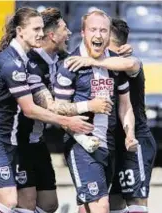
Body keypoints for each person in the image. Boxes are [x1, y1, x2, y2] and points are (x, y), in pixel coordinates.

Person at [0, 7, 94, 213]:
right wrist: (68, 121)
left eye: (41, 28)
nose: (41, 33)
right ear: (20, 31)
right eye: (36, 29)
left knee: (43, 204)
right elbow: (29, 110)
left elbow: (45, 101)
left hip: (10, 140)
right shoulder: (12, 63)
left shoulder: (25, 61)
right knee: (10, 201)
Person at [16, 7, 113, 213]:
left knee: (50, 204)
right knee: (12, 200)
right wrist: (89, 106)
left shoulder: (63, 60)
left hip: (38, 140)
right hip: (16, 140)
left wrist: (112, 56)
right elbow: (52, 107)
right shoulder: (30, 64)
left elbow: (127, 63)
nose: (69, 33)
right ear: (52, 35)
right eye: (65, 29)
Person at [65, 18, 156, 213]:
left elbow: (131, 63)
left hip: (134, 139)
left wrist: (91, 60)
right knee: (104, 203)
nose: (100, 45)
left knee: (135, 203)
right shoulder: (90, 66)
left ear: (121, 48)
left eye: (106, 39)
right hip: (108, 140)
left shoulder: (128, 63)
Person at [53, 9, 137, 213]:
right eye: (93, 30)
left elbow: (125, 104)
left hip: (108, 145)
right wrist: (89, 106)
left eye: (103, 30)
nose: (98, 35)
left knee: (87, 207)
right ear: (83, 33)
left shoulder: (115, 64)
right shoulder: (70, 65)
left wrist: (130, 134)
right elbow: (56, 110)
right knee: (101, 206)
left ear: (109, 34)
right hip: (81, 145)